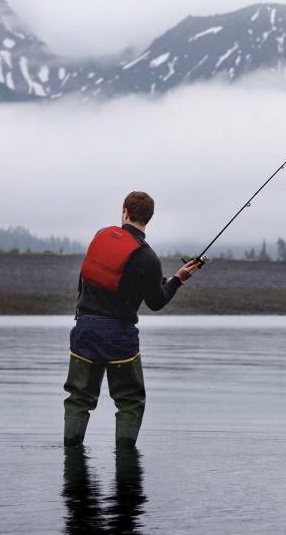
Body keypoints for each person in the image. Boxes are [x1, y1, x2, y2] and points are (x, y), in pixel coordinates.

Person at [63, 191, 200, 447]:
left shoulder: (100, 237)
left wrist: (166, 280)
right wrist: (178, 280)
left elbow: (111, 277)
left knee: (78, 398)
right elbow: (156, 301)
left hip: (85, 330)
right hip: (119, 336)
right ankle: (125, 466)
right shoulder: (149, 258)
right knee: (129, 401)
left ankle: (71, 458)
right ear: (149, 218)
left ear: (124, 212)